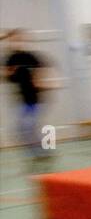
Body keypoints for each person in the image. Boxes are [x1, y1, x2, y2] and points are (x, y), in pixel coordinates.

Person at [3, 29, 52, 165]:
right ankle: (40, 151)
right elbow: (7, 76)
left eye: (18, 39)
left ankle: (43, 151)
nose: (15, 42)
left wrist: (41, 80)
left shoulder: (31, 56)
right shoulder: (10, 58)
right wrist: (9, 73)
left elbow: (43, 69)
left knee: (27, 126)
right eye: (13, 40)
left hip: (35, 98)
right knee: (24, 128)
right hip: (22, 99)